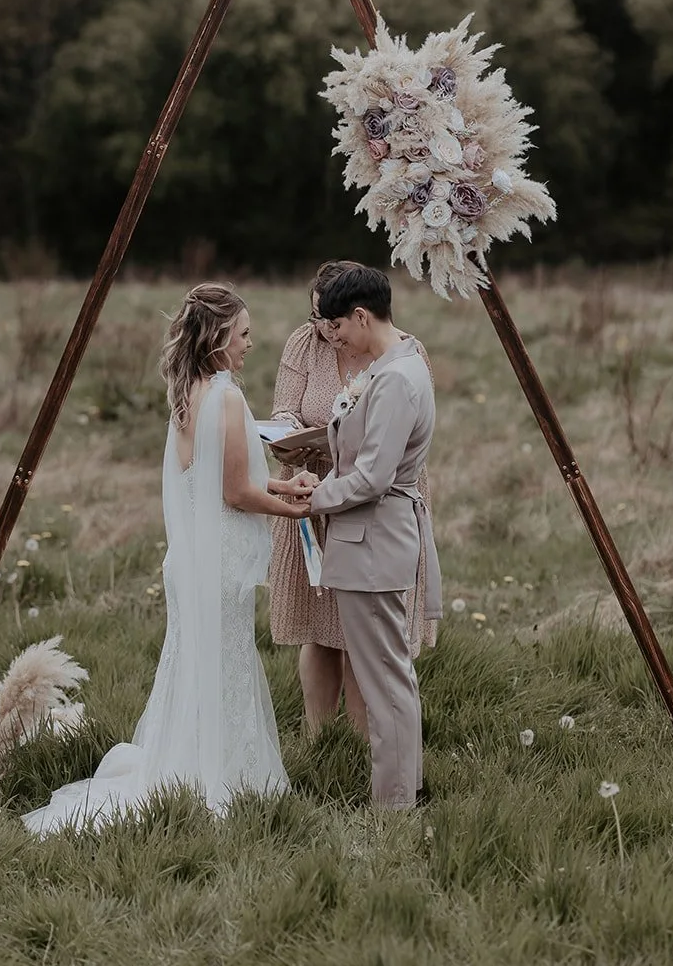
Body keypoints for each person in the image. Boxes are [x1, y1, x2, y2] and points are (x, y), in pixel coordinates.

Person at [23, 283, 313, 835]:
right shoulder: (227, 397)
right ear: (221, 336)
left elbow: (218, 478)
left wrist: (284, 488)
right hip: (219, 560)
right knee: (223, 666)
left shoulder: (189, 391)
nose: (252, 343)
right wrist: (293, 510)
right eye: (245, 334)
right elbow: (234, 493)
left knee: (198, 668)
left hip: (192, 561)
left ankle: (194, 769)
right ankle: (223, 777)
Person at [269, 261, 437, 734]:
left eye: (331, 319)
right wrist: (296, 435)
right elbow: (283, 404)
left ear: (355, 313)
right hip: (310, 484)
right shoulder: (305, 344)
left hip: (368, 497)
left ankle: (368, 741)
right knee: (319, 625)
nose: (324, 329)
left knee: (362, 629)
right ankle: (318, 736)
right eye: (316, 319)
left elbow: (403, 436)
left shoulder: (403, 357)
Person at [308, 264, 442, 809]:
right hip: (378, 540)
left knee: (384, 680)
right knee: (393, 676)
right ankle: (404, 789)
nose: (334, 337)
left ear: (361, 316)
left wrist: (310, 497)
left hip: (372, 543)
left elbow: (371, 478)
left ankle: (392, 807)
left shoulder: (393, 380)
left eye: (337, 327)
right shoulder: (399, 361)